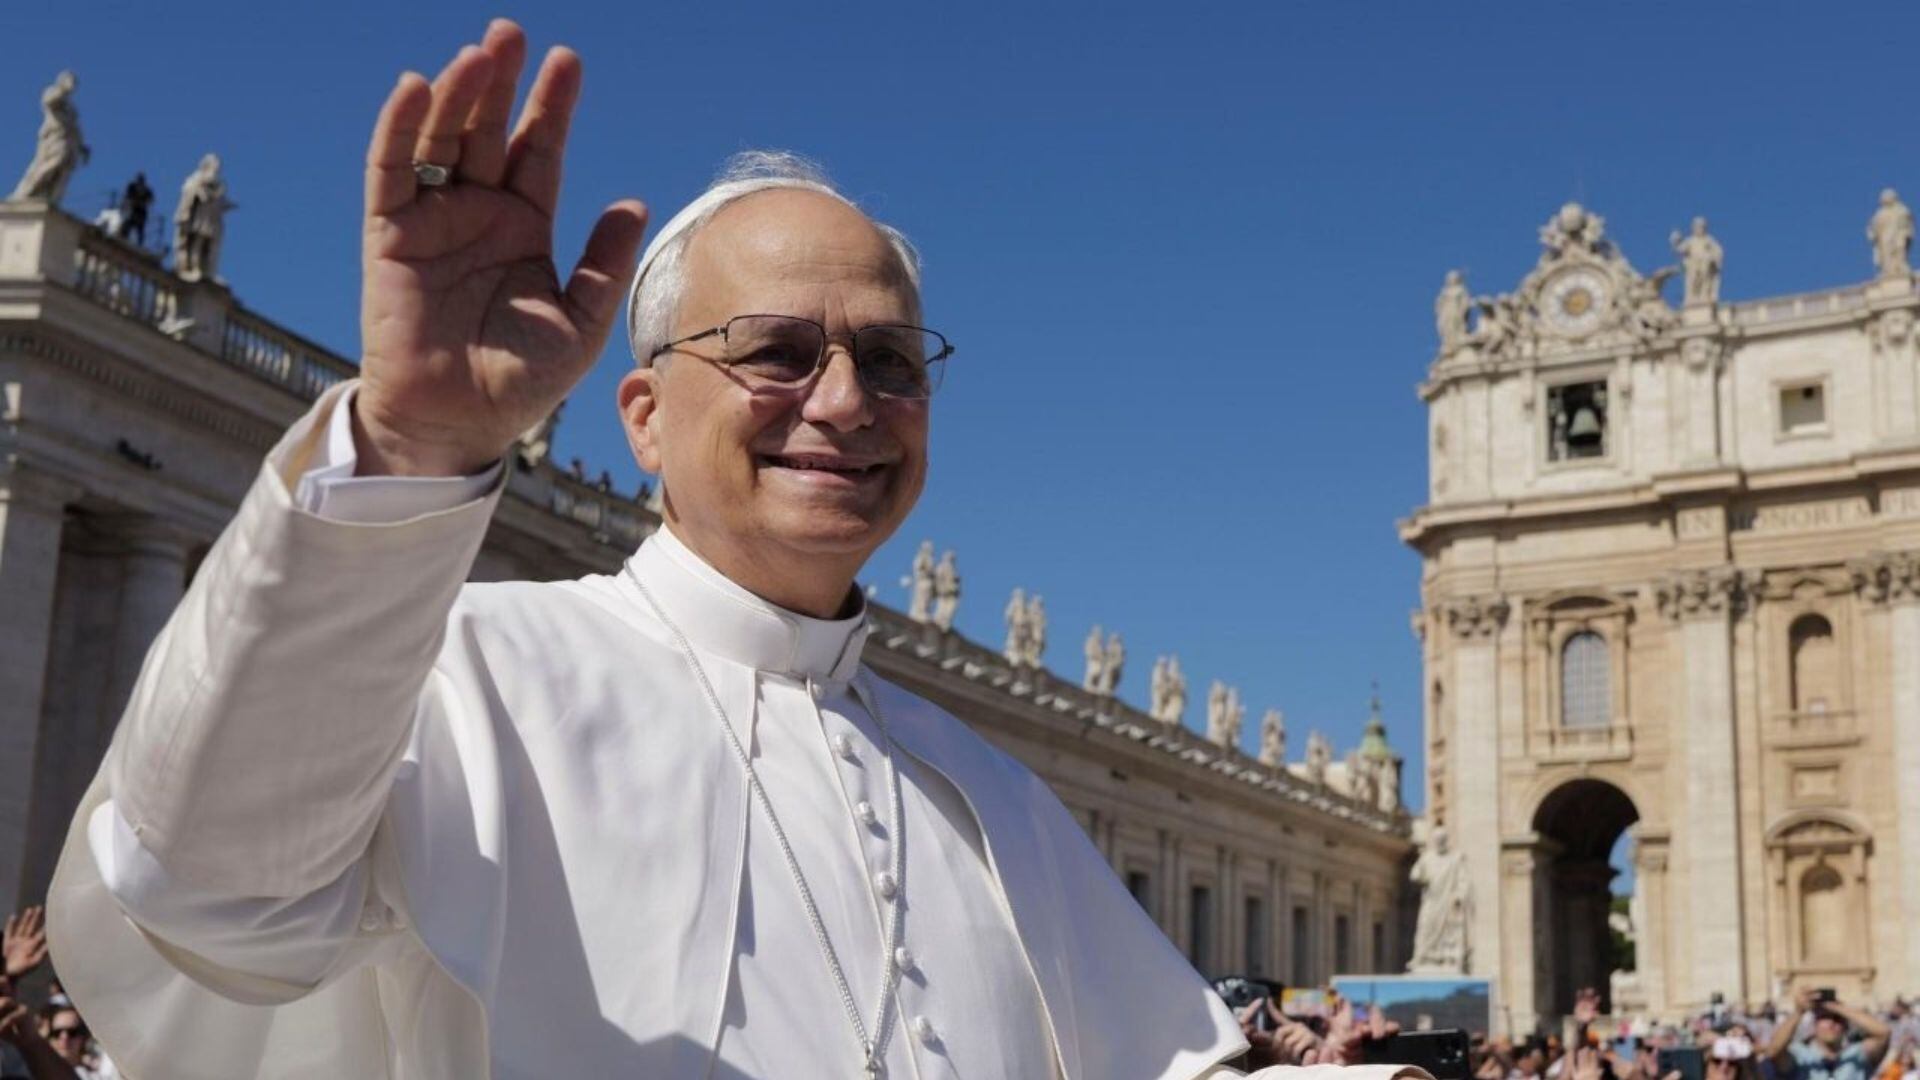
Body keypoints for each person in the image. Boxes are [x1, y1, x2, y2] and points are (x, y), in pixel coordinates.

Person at [44, 19, 1428, 1080]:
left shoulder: (989, 795)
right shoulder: (461, 677)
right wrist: (411, 445)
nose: (845, 402)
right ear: (640, 415)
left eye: (889, 360)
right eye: (777, 351)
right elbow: (206, 897)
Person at [1767, 990, 1890, 1080]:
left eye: (1837, 1020)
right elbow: (1774, 1050)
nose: (1832, 1024)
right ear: (1814, 1025)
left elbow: (1883, 1033)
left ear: (1845, 1026)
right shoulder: (1799, 1055)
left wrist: (1838, 1007)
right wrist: (1799, 1012)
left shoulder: (1857, 1055)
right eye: (1825, 1018)